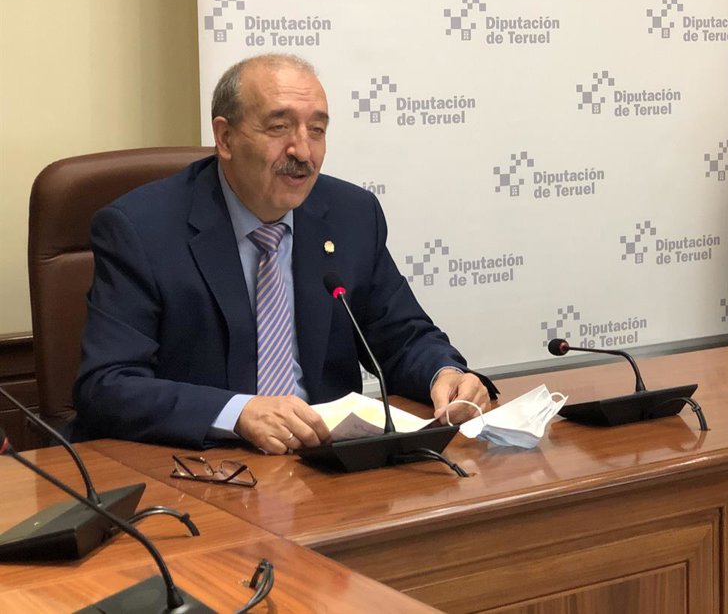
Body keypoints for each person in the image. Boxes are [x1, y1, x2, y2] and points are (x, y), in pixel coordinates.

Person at [74, 54, 492, 452]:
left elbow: (402, 336)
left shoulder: (351, 215)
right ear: (225, 138)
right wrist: (237, 413)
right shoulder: (141, 229)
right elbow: (107, 384)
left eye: (317, 130)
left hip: (328, 463)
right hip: (205, 465)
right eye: (279, 128)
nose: (303, 152)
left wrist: (445, 373)